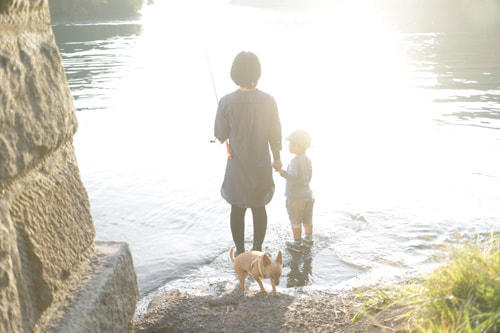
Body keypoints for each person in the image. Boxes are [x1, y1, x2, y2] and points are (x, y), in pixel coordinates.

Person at [214, 51, 282, 256]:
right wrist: (277, 158)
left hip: (237, 166)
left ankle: (241, 253)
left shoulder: (225, 102)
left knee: (237, 208)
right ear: (258, 73)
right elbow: (275, 133)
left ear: (235, 73)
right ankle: (258, 251)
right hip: (261, 165)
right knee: (259, 207)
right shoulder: (269, 101)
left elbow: (219, 135)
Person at [278, 129, 314, 252]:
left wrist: (281, 171)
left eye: (291, 143)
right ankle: (308, 239)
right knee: (307, 218)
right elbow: (309, 176)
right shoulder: (307, 160)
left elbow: (292, 177)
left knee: (295, 219)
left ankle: (297, 242)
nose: (289, 145)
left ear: (297, 145)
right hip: (308, 195)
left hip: (296, 198)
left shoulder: (294, 161)